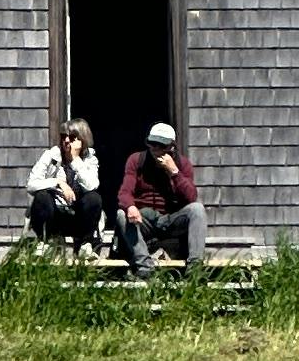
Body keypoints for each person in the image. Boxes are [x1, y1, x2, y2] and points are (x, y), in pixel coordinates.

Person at [116, 121, 200, 277]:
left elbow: (191, 197)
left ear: (171, 147)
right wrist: (130, 206)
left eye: (161, 145)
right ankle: (144, 267)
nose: (155, 149)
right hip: (143, 219)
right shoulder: (137, 160)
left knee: (197, 209)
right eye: (152, 144)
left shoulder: (182, 164)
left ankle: (195, 269)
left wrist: (174, 172)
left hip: (169, 219)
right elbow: (125, 192)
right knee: (121, 214)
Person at [25, 119, 102, 250]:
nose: (66, 140)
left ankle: (86, 244)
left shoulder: (90, 159)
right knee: (42, 196)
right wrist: (58, 182)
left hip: (78, 218)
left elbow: (92, 185)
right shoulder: (51, 155)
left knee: (94, 198)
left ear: (82, 140)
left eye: (71, 138)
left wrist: (75, 160)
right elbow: (31, 185)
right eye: (63, 136)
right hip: (54, 215)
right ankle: (44, 242)